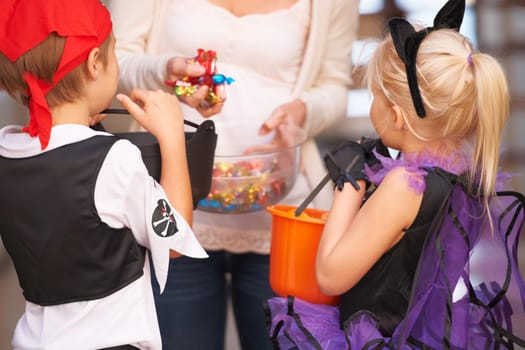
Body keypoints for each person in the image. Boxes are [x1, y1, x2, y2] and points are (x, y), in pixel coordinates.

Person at [267, 0, 525, 348]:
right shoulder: (460, 175)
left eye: (375, 96)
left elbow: (330, 275)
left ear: (396, 116)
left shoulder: (404, 185)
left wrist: (350, 183)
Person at [108, 0, 360, 348]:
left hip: (282, 216)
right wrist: (166, 69)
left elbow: (335, 86)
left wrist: (304, 111)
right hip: (169, 210)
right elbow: (111, 63)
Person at [0, 0, 207, 349]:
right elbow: (172, 240)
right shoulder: (113, 159)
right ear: (96, 63)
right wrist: (171, 137)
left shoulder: (6, 149)